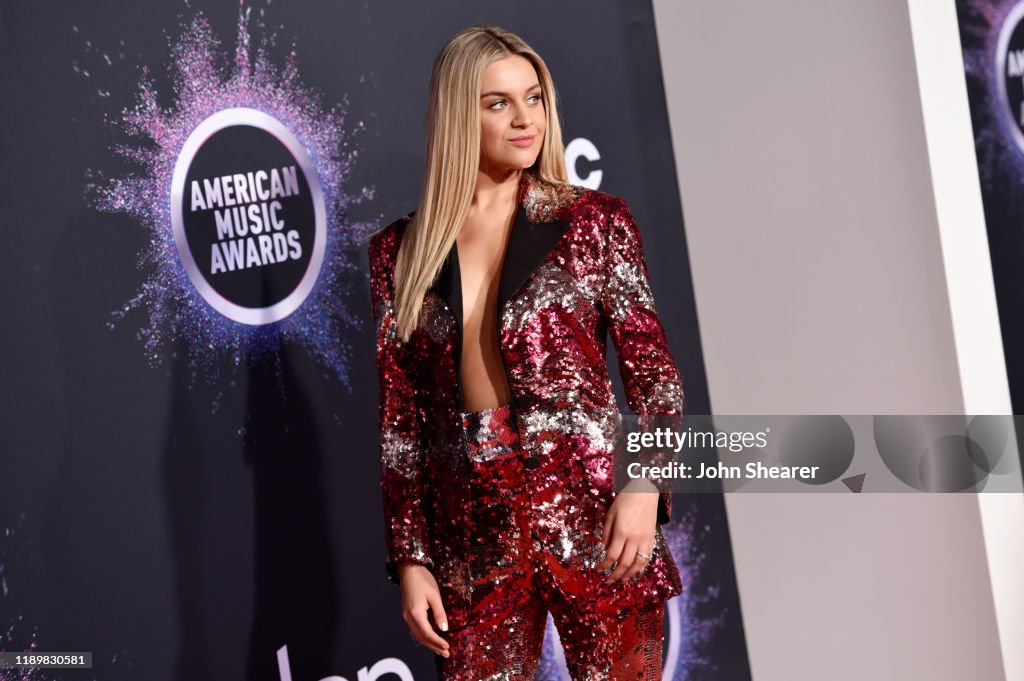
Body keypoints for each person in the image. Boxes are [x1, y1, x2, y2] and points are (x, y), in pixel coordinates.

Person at [367, 24, 686, 680]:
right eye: (498, 103)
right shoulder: (397, 253)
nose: (524, 118)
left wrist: (646, 482)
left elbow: (655, 379)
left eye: (534, 98)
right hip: (471, 539)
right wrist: (411, 558)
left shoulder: (593, 223)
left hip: (595, 516)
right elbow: (401, 425)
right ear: (460, 114)